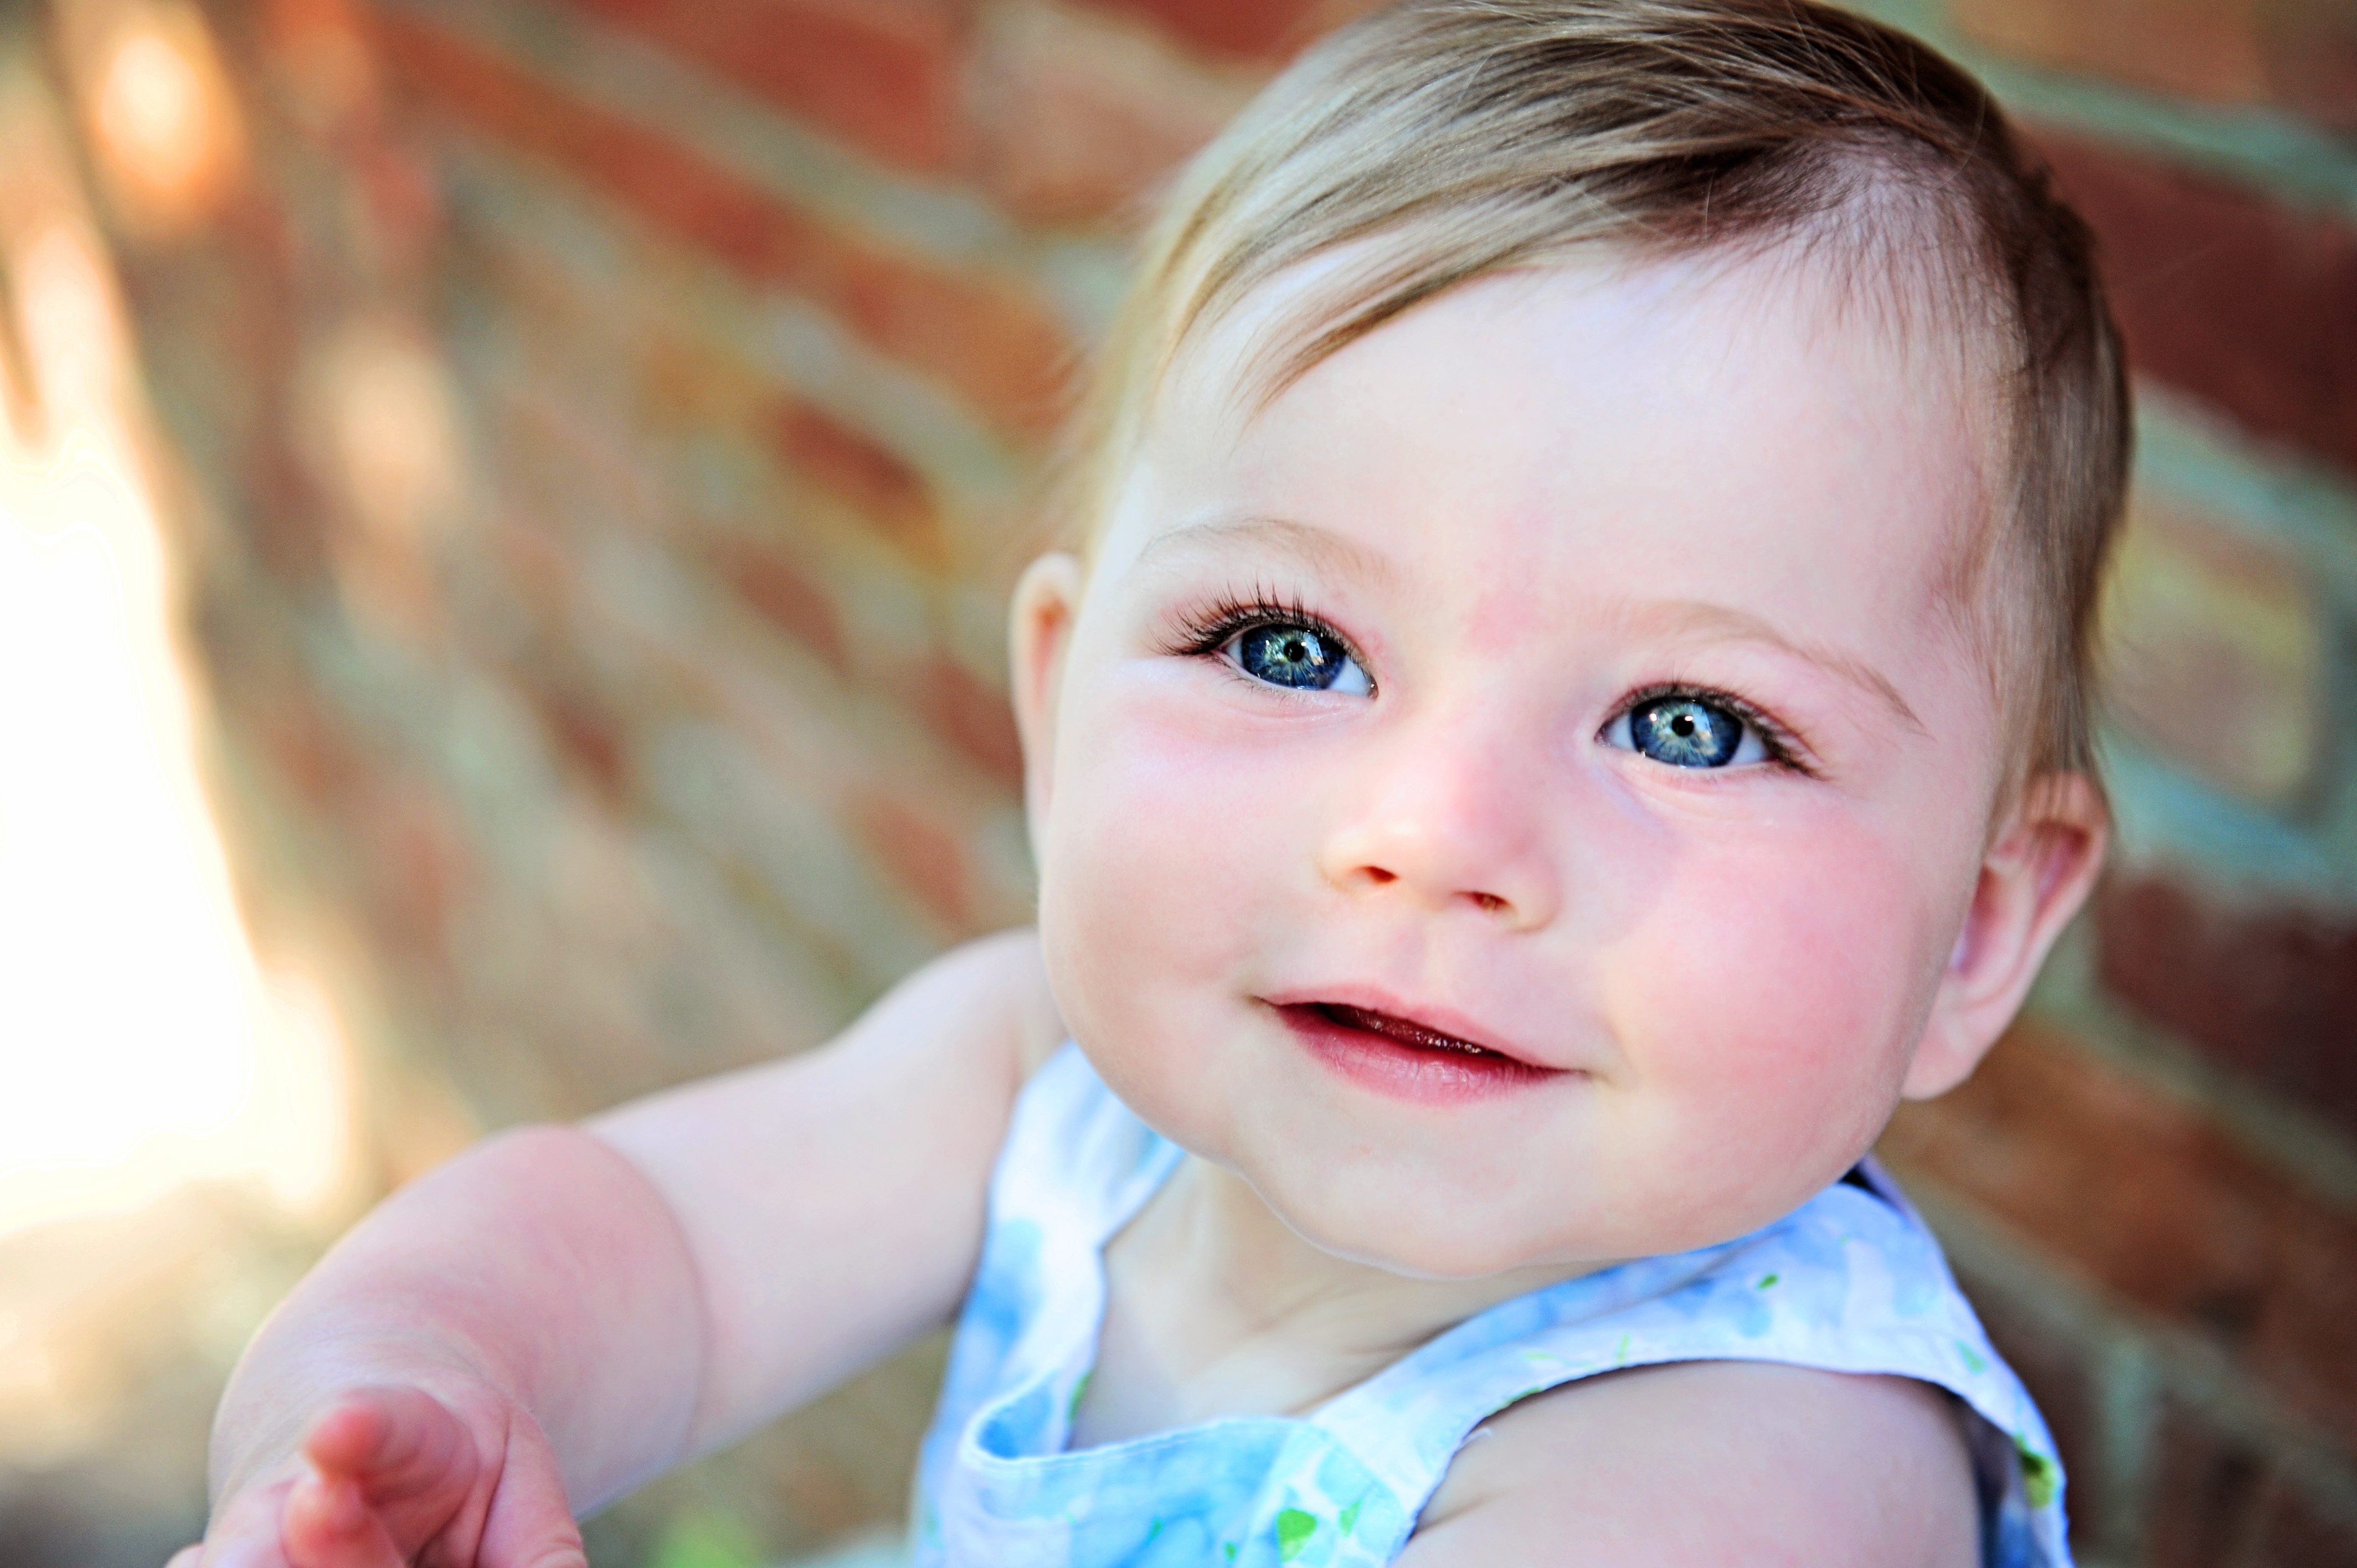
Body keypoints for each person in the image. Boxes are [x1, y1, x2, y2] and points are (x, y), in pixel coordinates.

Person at [173, 1, 2130, 1563]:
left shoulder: (1757, 1469)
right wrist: (417, 1381)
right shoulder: (1059, 1084)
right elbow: (662, 1245)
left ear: (1973, 928)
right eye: (1292, 647)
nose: (1433, 836)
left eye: (1692, 723)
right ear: (1056, 708)